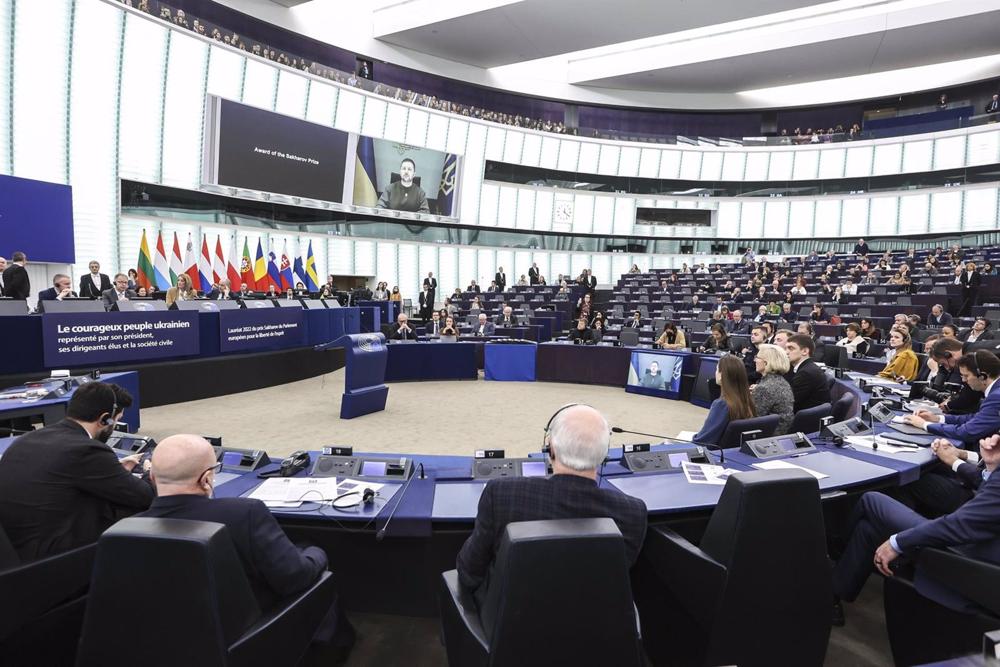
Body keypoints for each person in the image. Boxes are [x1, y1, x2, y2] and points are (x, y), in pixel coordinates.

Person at [139, 435, 353, 661]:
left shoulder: (125, 529)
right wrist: (317, 551)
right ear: (206, 479)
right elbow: (296, 578)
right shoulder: (245, 514)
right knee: (313, 562)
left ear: (152, 477)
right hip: (243, 637)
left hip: (166, 640)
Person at [456, 405, 648, 604]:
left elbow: (469, 574)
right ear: (604, 454)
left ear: (550, 449)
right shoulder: (633, 513)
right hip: (596, 627)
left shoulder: (501, 494)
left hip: (512, 625)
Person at [832, 434, 1000, 614]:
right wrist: (990, 467)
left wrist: (898, 542)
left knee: (871, 499)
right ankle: (832, 598)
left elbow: (959, 526)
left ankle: (835, 551)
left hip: (971, 558)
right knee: (869, 530)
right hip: (980, 542)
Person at [0, 382, 153, 562]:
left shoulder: (27, 439)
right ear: (105, 419)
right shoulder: (87, 450)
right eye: (115, 420)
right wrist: (150, 472)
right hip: (52, 561)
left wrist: (115, 470)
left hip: (17, 550)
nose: (114, 426)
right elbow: (145, 496)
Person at [902, 351, 1000, 446]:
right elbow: (975, 418)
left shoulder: (996, 397)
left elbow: (967, 432)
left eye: (966, 376)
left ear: (982, 376)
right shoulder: (995, 392)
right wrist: (938, 418)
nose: (964, 380)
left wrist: (924, 424)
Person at [894, 437, 990, 519]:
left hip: (981, 504)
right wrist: (959, 453)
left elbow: (990, 480)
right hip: (977, 481)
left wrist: (952, 460)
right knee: (932, 468)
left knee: (909, 479)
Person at [690, 355, 756, 446]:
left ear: (722, 375)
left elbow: (703, 441)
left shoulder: (722, 404)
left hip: (713, 454)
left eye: (717, 369)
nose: (715, 373)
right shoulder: (748, 400)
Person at [752, 344, 795, 435]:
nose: (754, 360)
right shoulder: (782, 381)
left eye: (757, 357)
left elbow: (753, 419)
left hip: (769, 436)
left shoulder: (764, 388)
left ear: (766, 363)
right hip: (783, 432)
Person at [784, 334, 831, 413]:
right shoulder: (807, 368)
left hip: (804, 420)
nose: (786, 352)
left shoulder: (806, 373)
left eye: (791, 348)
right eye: (786, 348)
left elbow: (789, 403)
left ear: (805, 351)